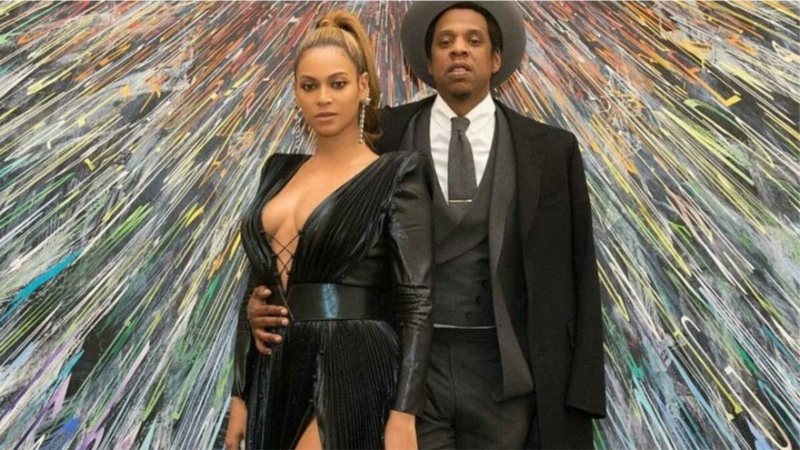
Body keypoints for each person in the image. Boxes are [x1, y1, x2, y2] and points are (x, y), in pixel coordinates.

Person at [244, 2, 606, 448]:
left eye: (473, 40)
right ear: (427, 61)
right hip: (403, 374)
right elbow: (322, 230)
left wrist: (584, 392)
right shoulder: (378, 139)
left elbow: (579, 270)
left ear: (496, 59)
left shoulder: (551, 151)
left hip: (509, 378)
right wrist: (269, 303)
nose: (459, 50)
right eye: (445, 41)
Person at [224, 10, 434, 450]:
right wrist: (239, 395)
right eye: (309, 86)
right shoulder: (277, 171)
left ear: (362, 87)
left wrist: (404, 414)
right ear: (296, 93)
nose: (323, 98)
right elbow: (254, 290)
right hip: (275, 369)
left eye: (337, 84)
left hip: (352, 365)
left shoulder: (396, 174)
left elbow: (416, 303)